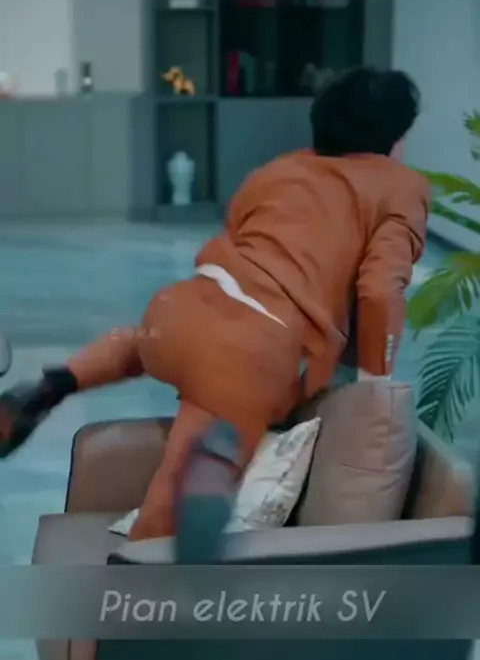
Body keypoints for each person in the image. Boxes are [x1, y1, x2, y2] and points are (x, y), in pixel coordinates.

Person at [0, 66, 429, 559]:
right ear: (394, 138)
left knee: (141, 341)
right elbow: (378, 288)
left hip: (179, 311)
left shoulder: (280, 170)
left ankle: (56, 382)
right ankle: (196, 491)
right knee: (176, 489)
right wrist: (375, 378)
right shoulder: (401, 187)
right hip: (247, 354)